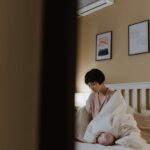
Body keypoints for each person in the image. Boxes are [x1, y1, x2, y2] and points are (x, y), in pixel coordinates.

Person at [84, 68, 116, 145]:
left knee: (106, 139)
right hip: (95, 128)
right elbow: (88, 115)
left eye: (94, 84)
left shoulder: (113, 95)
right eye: (89, 85)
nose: (91, 88)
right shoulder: (92, 96)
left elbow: (117, 115)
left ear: (101, 81)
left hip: (109, 128)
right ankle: (96, 137)